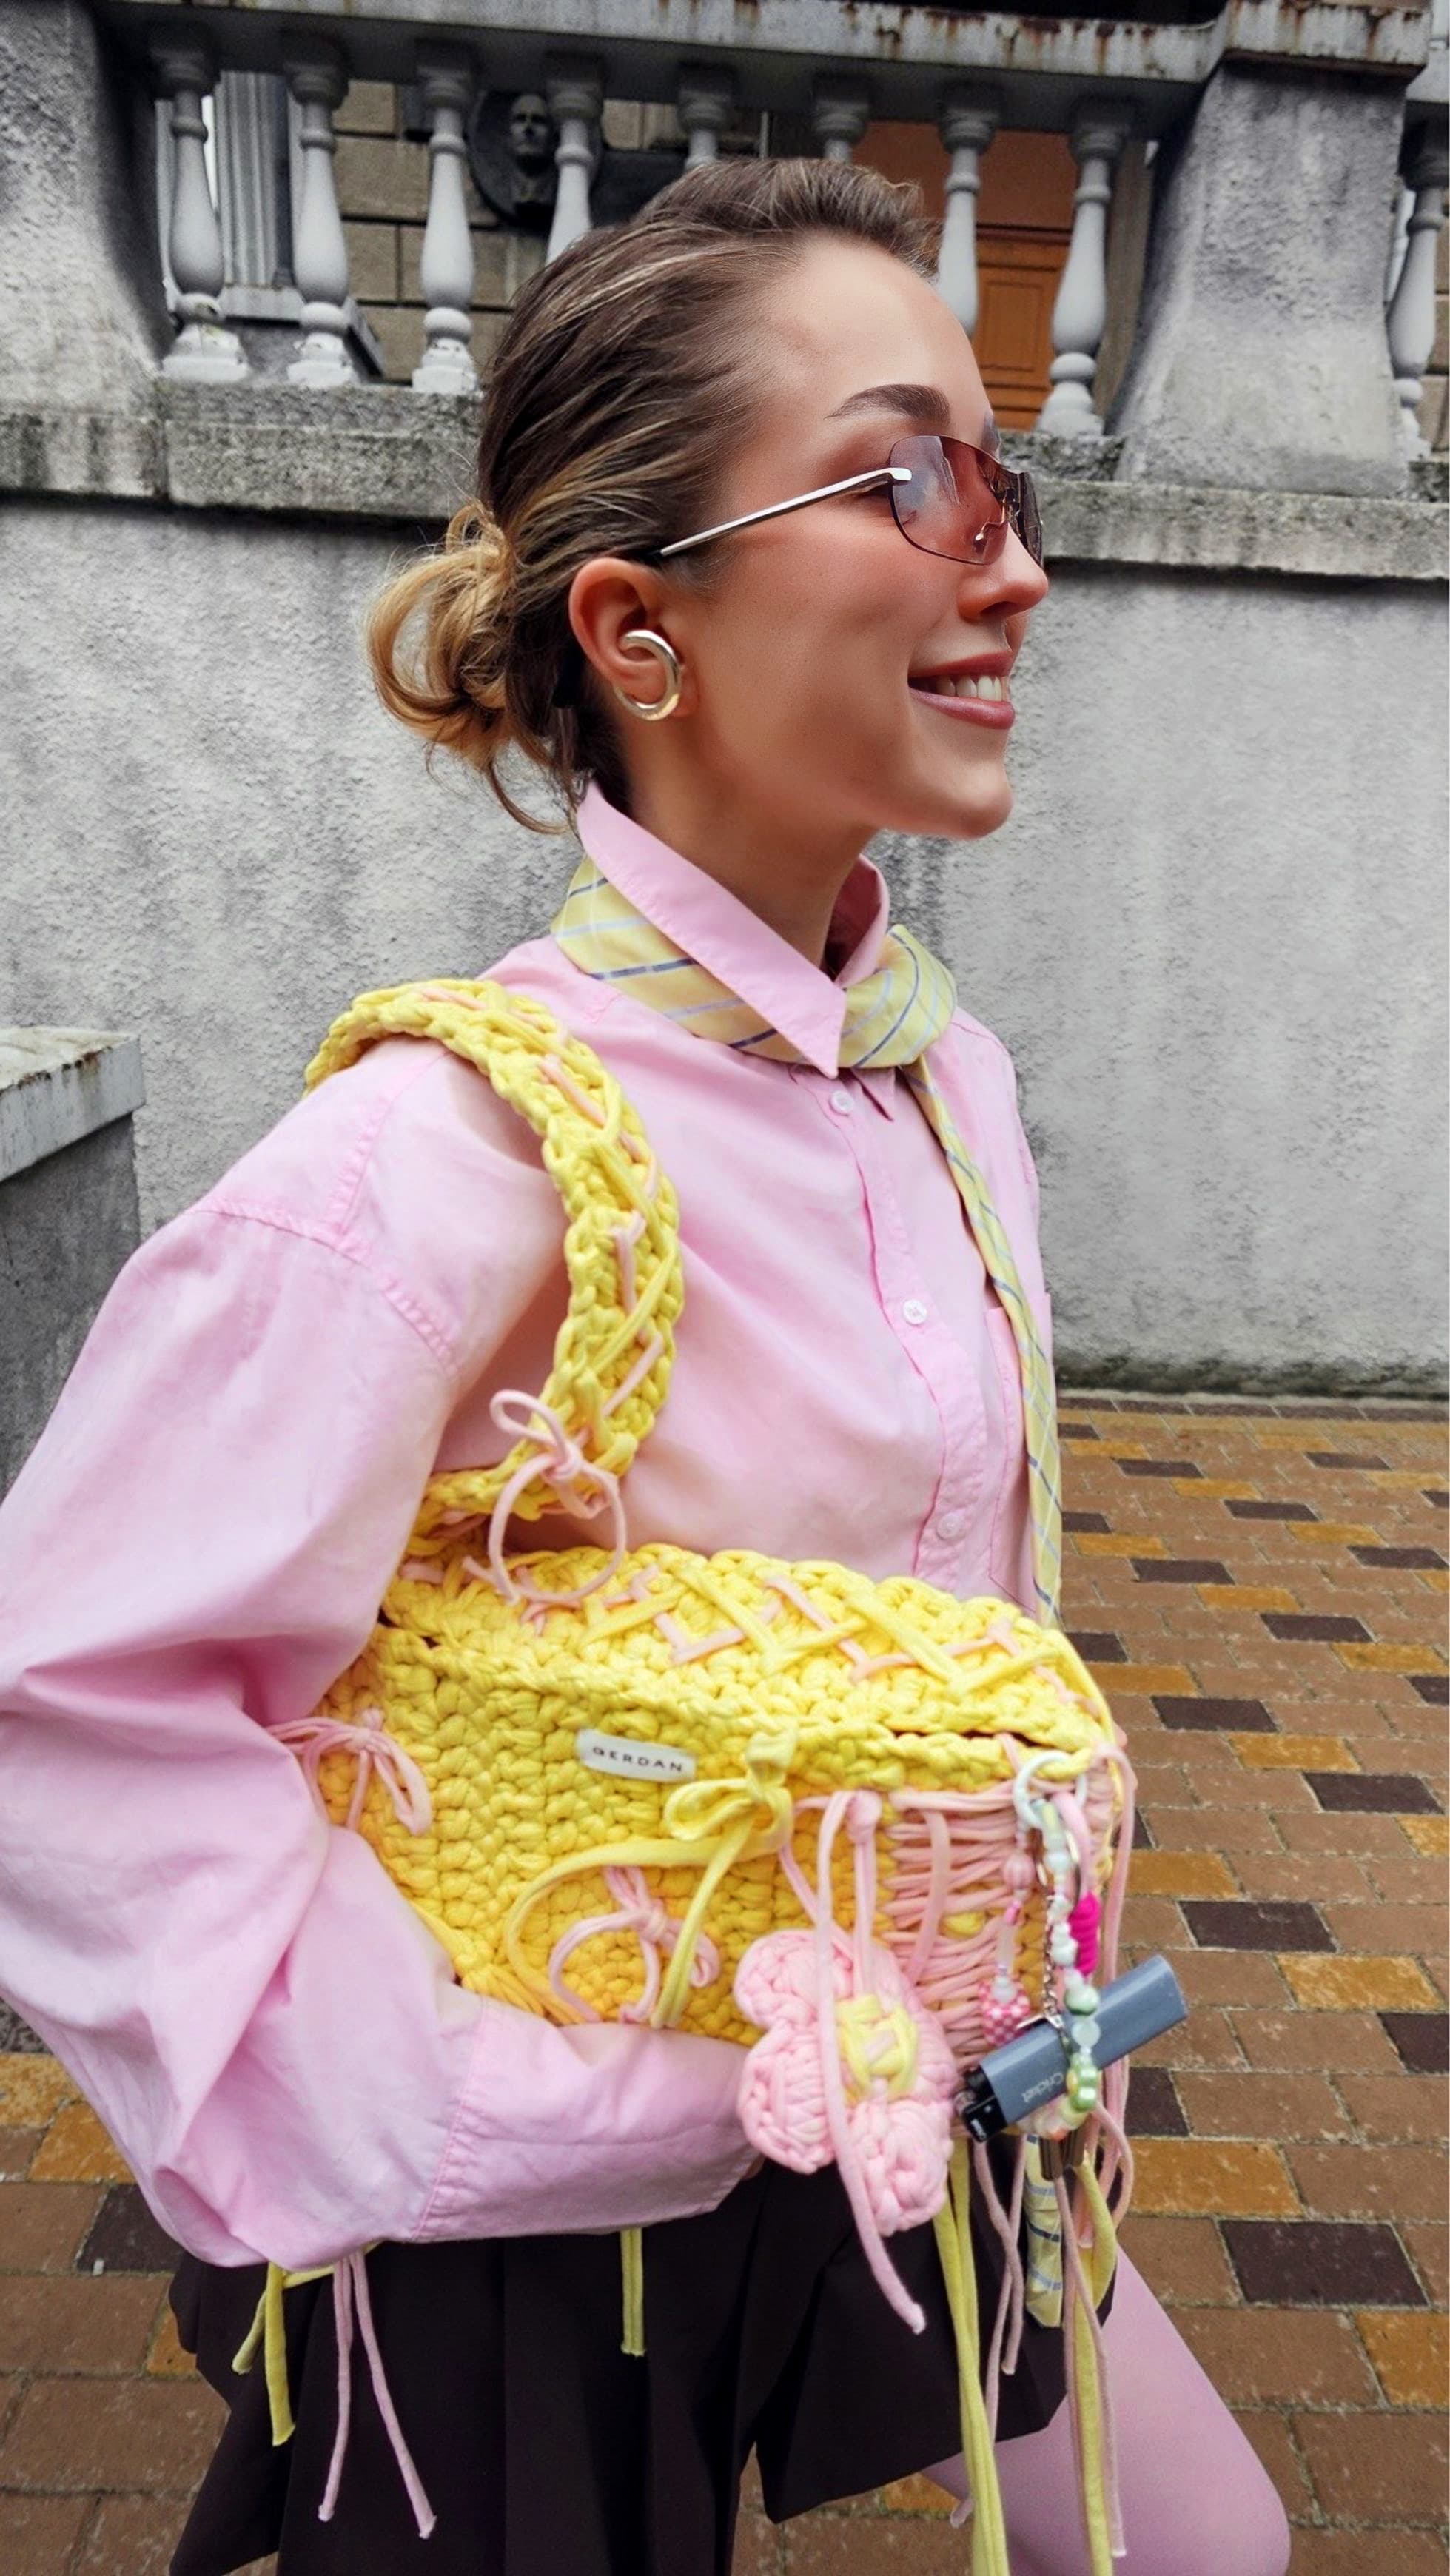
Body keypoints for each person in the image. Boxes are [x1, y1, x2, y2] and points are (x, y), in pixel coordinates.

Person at [0, 159, 1291, 2576]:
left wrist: (1025, 1950)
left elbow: (956, 1611)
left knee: (1207, 2545)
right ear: (639, 626)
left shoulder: (942, 1077)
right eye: (909, 481)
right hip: (535, 2222)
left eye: (1005, 477)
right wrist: (463, 2107)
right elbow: (64, 1701)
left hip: (910, 2084)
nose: (1013, 563)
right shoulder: (443, 1155)